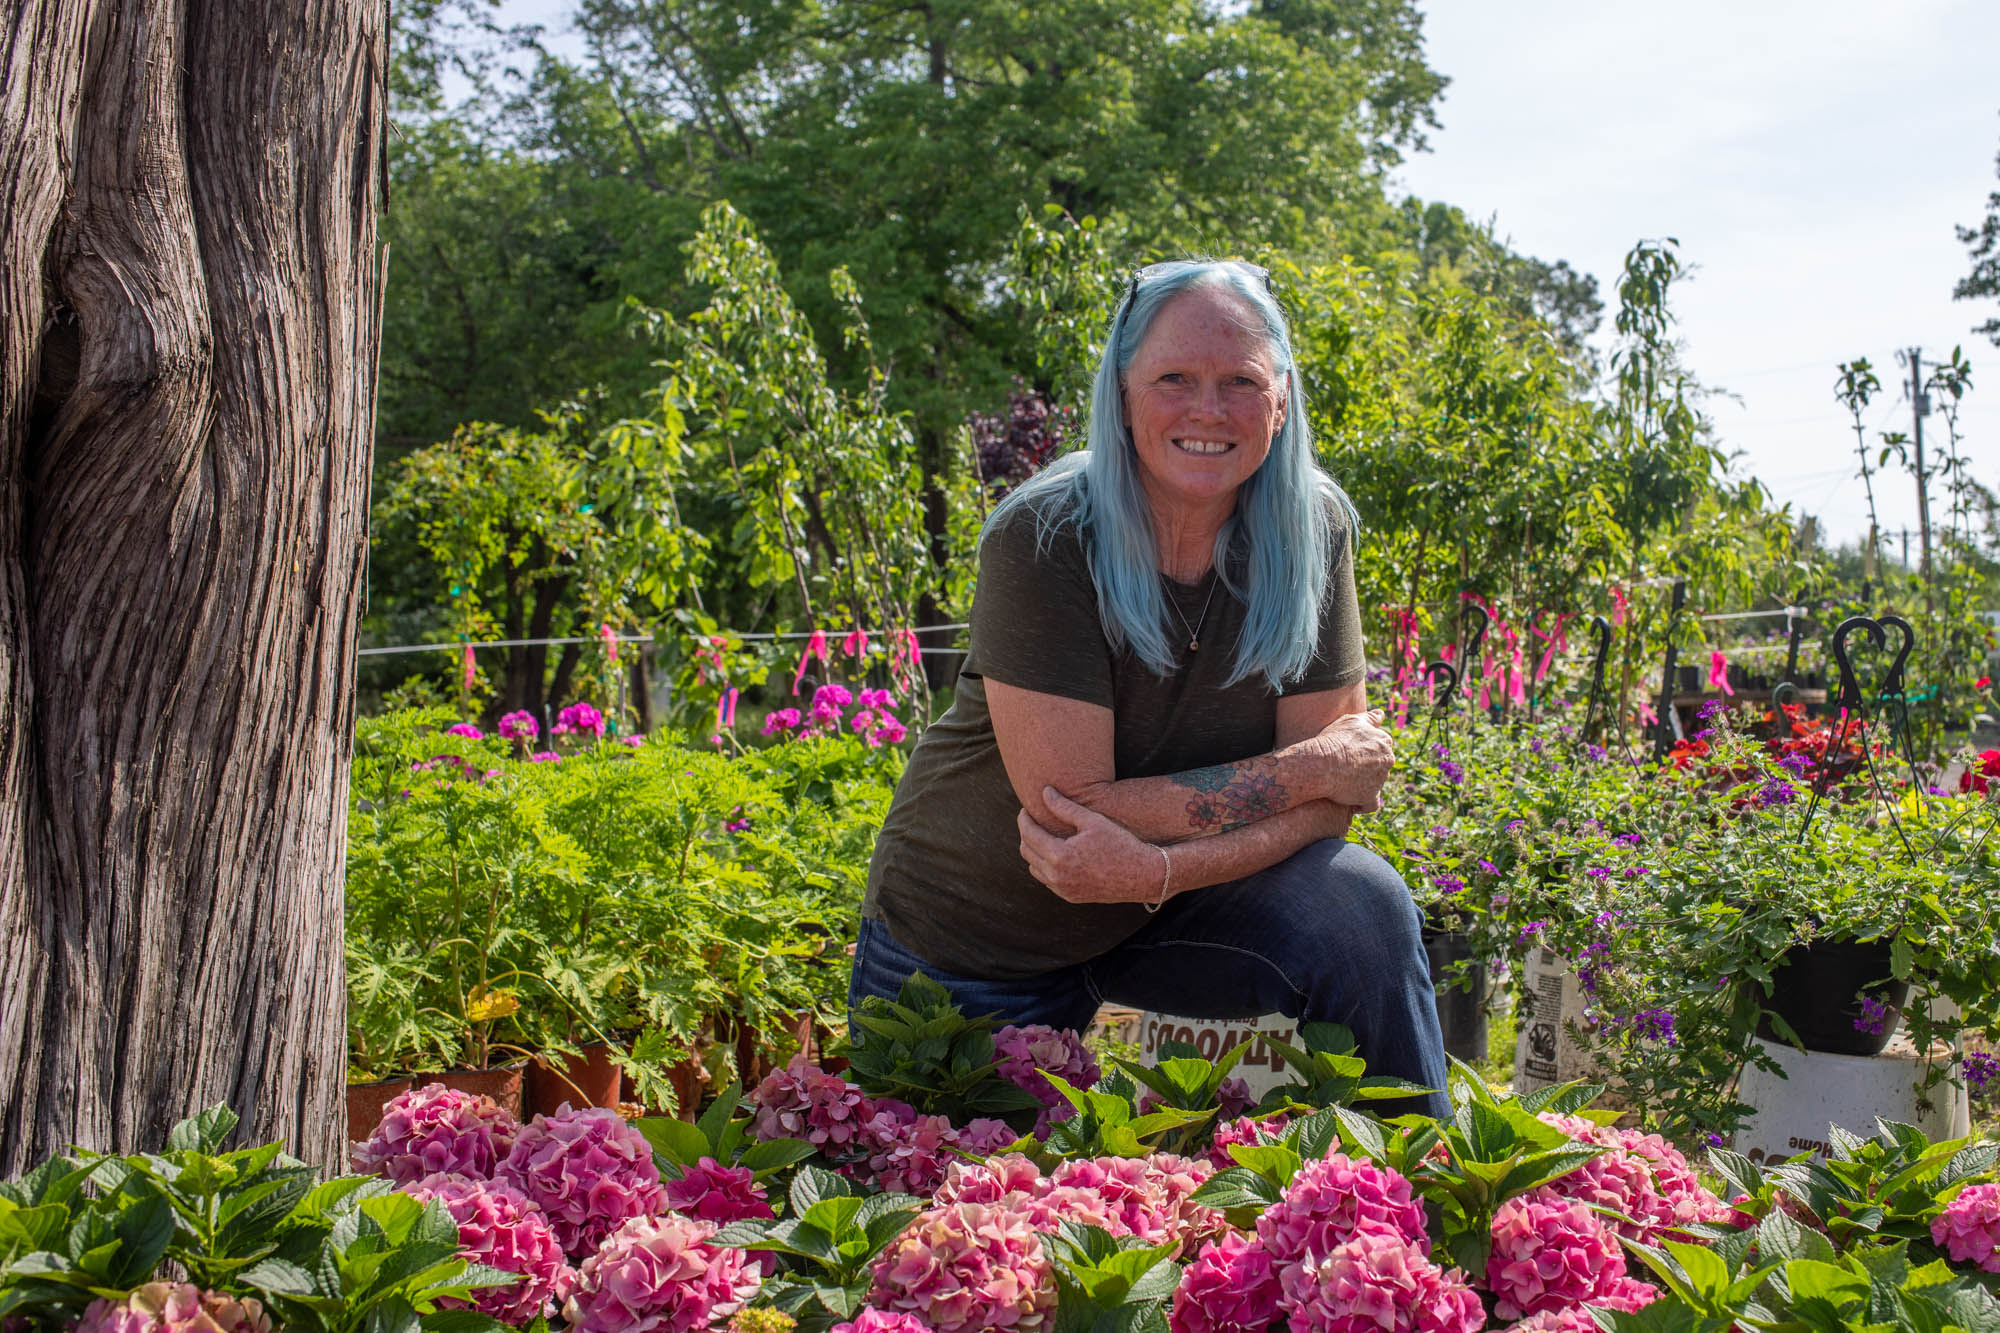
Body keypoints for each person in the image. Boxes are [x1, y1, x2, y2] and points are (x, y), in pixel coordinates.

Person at [850, 259, 1448, 1115]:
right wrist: (1306, 768)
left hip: (1170, 913)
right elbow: (1071, 806)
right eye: (1175, 378)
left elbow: (1335, 802)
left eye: (1240, 381)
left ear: (1280, 398)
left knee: (1359, 904)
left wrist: (1164, 868)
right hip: (981, 936)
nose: (1208, 410)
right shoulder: (1047, 534)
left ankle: (1419, 1200)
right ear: (1122, 391)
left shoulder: (1313, 530)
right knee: (949, 1220)